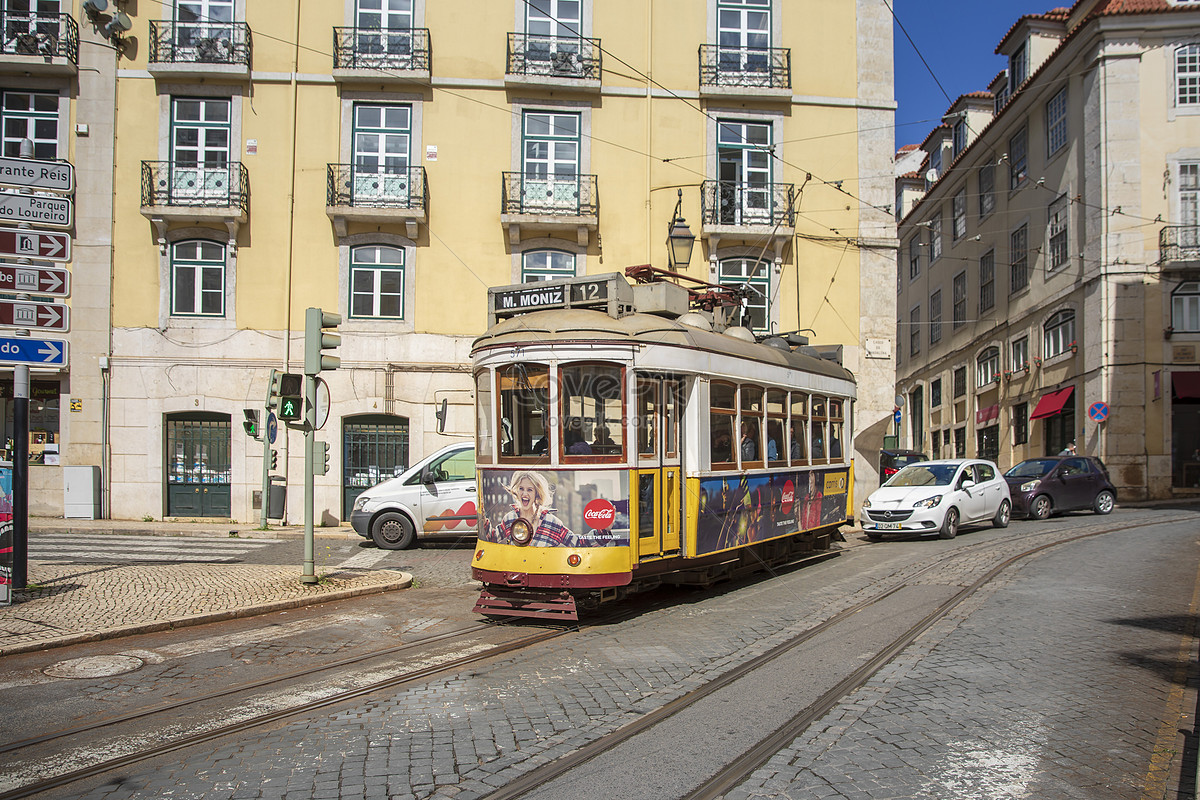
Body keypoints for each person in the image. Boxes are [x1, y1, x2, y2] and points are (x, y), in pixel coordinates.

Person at [498, 471, 576, 546]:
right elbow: (490, 538)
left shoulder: (551, 522)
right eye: (521, 489)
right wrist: (484, 518)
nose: (524, 494)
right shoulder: (509, 519)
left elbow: (577, 542)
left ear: (537, 493)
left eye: (529, 490)